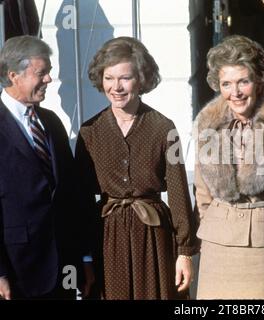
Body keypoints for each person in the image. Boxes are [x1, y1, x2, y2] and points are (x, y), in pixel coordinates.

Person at [75, 36, 197, 300]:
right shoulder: (89, 132)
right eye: (109, 78)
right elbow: (80, 202)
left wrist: (184, 252)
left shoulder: (165, 128)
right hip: (106, 239)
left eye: (125, 78)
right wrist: (84, 256)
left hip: (153, 237)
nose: (116, 87)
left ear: (141, 79)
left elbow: (178, 195)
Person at [193, 35, 264, 299]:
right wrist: (215, 224)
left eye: (243, 81)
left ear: (259, 80)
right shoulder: (208, 125)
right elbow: (202, 193)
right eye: (227, 84)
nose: (236, 92)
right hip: (218, 245)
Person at [0, 35, 95, 299]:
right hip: (18, 271)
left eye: (49, 72)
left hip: (64, 268)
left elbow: (73, 197)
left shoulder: (52, 122)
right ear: (13, 75)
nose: (49, 80)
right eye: (41, 73)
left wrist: (85, 258)